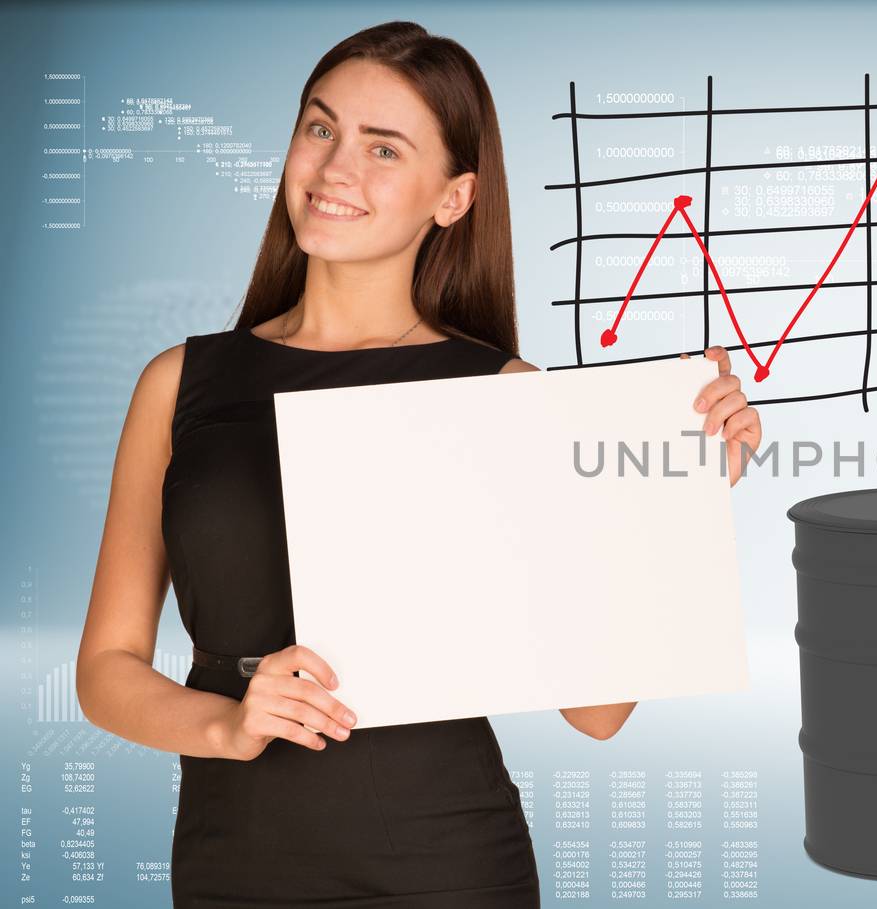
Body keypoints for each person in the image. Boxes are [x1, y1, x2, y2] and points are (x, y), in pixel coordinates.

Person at [74, 21, 761, 908]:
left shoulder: (508, 393)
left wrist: (683, 497)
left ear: (454, 197)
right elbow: (106, 666)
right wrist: (225, 723)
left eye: (384, 148)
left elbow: (596, 713)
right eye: (320, 129)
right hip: (230, 863)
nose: (334, 170)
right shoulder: (180, 382)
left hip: (450, 866)